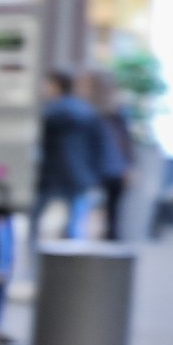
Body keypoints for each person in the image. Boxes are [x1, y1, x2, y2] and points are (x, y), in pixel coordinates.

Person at [35, 67, 108, 243]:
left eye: (46, 84)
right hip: (81, 176)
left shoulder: (50, 114)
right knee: (75, 228)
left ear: (56, 86)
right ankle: (74, 267)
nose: (43, 88)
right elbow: (98, 146)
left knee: (36, 224)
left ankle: (35, 265)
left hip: (52, 175)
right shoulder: (87, 112)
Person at [95, 73, 144, 242]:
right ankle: (110, 236)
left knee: (112, 207)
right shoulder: (102, 114)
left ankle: (111, 237)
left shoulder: (116, 115)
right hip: (108, 166)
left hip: (112, 167)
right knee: (109, 207)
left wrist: (130, 166)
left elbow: (125, 143)